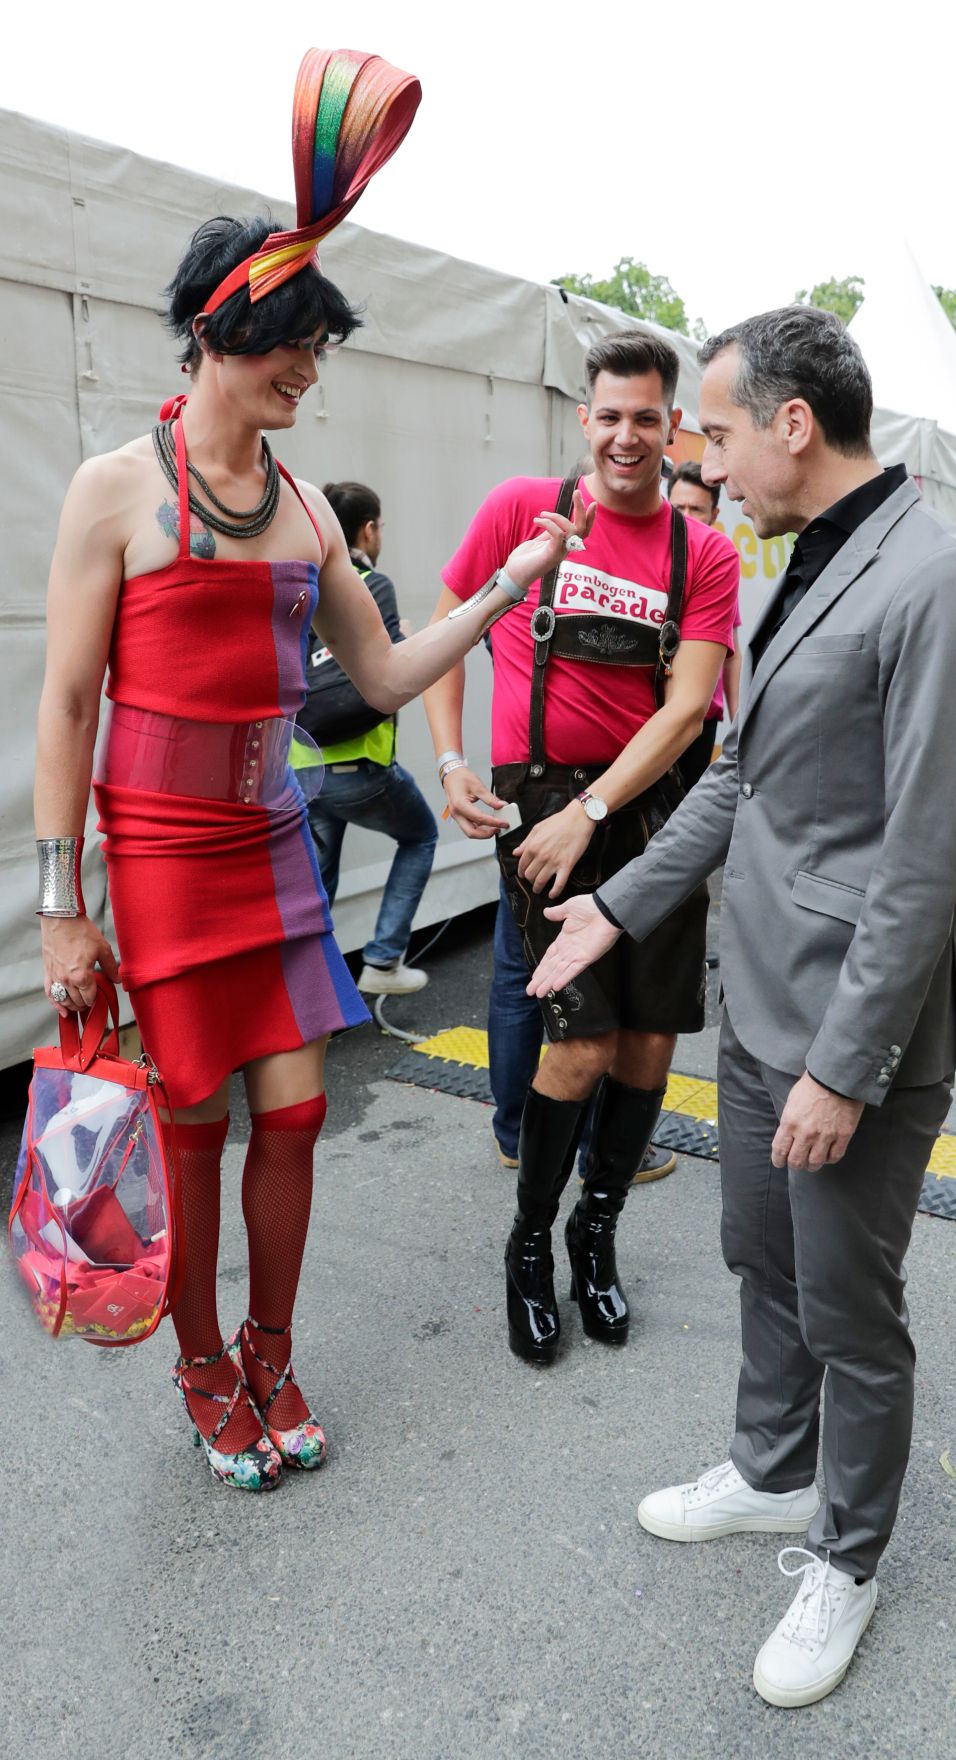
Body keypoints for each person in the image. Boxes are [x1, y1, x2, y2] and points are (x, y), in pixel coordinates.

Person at [33, 48, 592, 1495]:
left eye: (320, 349)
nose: (310, 369)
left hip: (273, 847)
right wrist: (59, 898)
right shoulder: (115, 490)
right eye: (296, 343)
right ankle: (201, 1365)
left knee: (292, 1116)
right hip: (153, 858)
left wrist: (511, 583)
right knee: (195, 1125)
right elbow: (71, 695)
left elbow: (392, 673)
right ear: (227, 331)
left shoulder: (296, 511)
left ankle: (273, 1353)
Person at [527, 306, 956, 1703]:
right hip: (756, 1006)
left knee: (850, 1314)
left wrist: (847, 1068)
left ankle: (847, 1558)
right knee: (760, 1256)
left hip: (850, 1038)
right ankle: (770, 1466)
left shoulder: (941, 584)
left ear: (794, 425)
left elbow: (923, 864)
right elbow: (740, 782)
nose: (708, 462)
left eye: (723, 433)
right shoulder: (794, 564)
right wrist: (618, 904)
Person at [424, 329, 738, 1364]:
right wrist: (451, 760)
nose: (627, 436)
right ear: (584, 419)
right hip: (542, 803)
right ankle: (528, 1247)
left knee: (650, 1043)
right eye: (610, 415)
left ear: (672, 424)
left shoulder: (706, 551)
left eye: (647, 417)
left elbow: (691, 705)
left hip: (648, 808)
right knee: (583, 1040)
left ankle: (594, 1236)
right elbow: (452, 619)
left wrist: (596, 811)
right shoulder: (525, 510)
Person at [303, 480, 438, 993]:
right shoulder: (368, 582)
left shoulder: (305, 581)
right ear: (367, 528)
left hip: (304, 769)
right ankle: (382, 962)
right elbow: (391, 673)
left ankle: (308, 988)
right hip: (362, 768)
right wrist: (398, 638)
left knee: (319, 886)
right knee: (421, 835)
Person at [668, 461, 742, 792]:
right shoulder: (653, 556)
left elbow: (732, 650)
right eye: (678, 506)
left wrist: (739, 719)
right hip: (650, 713)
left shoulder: (716, 565)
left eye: (696, 508)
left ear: (713, 514)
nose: (686, 515)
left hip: (699, 719)